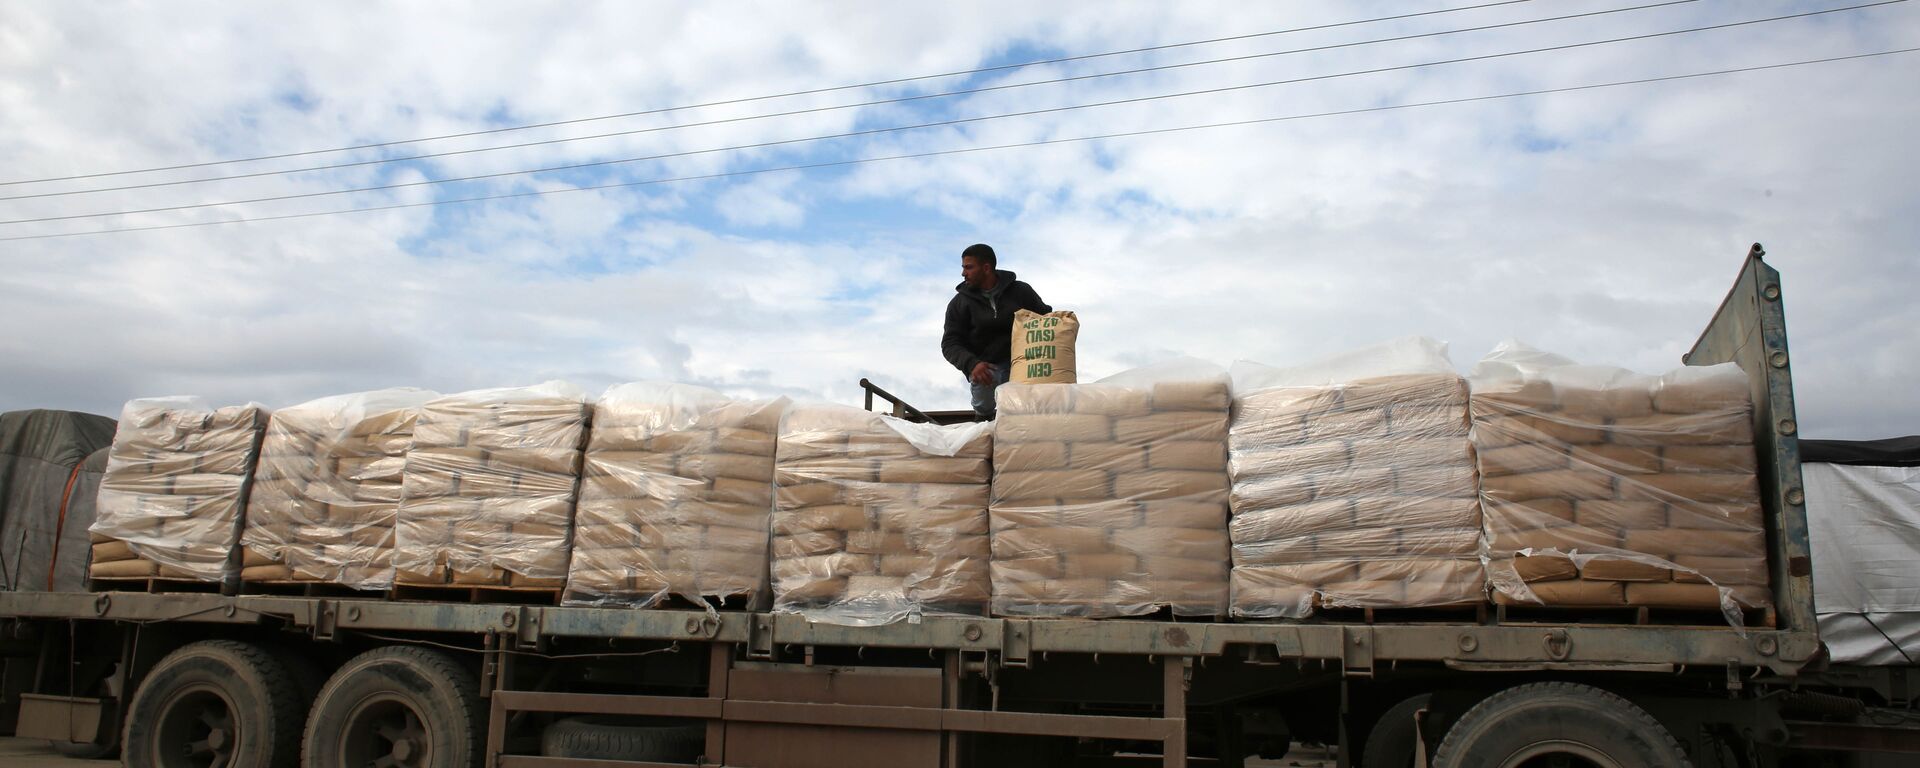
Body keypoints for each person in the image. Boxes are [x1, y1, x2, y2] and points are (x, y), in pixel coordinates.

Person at [941, 243, 1051, 420]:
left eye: (969, 267)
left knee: (1023, 417)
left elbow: (1046, 321)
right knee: (986, 399)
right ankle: (984, 422)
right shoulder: (959, 303)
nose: (963, 273)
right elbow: (950, 343)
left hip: (1022, 367)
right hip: (987, 371)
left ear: (986, 268)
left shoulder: (1021, 292)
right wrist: (972, 364)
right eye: (963, 268)